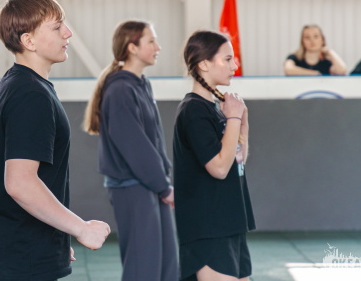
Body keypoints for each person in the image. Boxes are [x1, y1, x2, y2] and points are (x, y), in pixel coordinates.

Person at [0, 0, 110, 281]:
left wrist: (54, 236)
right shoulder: (31, 95)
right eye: (57, 27)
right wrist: (81, 228)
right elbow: (20, 183)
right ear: (29, 41)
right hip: (19, 255)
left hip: (17, 249)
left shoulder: (20, 84)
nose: (67, 33)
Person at [83, 21, 178, 281]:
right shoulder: (120, 90)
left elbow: (151, 142)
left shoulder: (140, 84)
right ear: (132, 47)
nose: (158, 47)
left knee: (166, 265)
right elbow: (136, 148)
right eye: (151, 41)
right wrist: (163, 187)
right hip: (133, 187)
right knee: (143, 269)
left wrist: (161, 184)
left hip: (150, 185)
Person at [174, 30, 256, 281]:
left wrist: (241, 125)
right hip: (209, 228)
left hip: (229, 222)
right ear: (204, 64)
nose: (235, 66)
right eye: (228, 59)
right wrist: (233, 118)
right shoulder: (194, 111)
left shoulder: (216, 108)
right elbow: (219, 168)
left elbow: (237, 161)